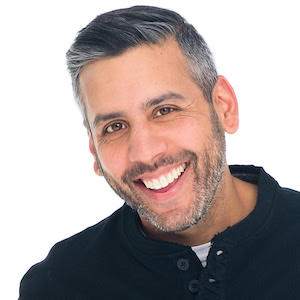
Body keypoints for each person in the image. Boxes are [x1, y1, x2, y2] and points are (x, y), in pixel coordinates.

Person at [19, 5, 300, 299]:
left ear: (223, 107)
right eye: (115, 127)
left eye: (165, 110)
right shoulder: (57, 285)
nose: (145, 153)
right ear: (94, 149)